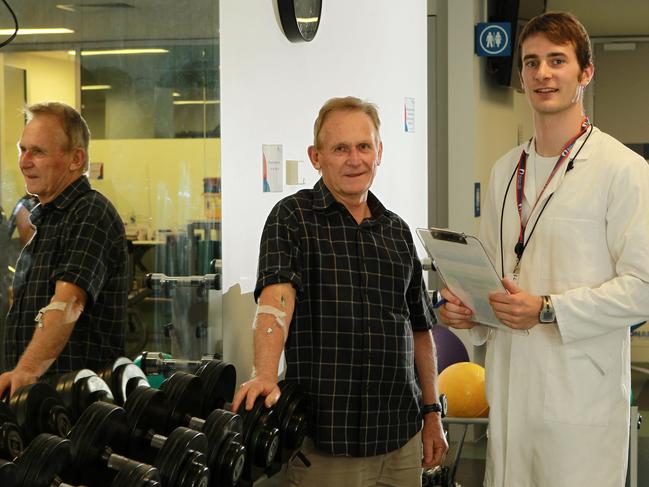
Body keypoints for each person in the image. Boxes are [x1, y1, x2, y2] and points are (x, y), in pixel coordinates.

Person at [439, 11, 649, 487]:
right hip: (512, 399)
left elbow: (643, 288)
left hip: (581, 403)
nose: (542, 73)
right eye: (531, 63)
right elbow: (493, 273)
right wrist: (470, 311)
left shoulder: (622, 170)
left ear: (585, 73)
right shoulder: (504, 170)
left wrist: (549, 310)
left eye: (557, 61)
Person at [231, 96, 448, 486]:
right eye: (340, 149)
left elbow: (419, 330)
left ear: (379, 152)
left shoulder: (397, 231)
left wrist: (432, 413)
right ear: (316, 157)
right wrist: (264, 373)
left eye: (364, 146)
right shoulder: (293, 218)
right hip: (328, 443)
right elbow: (276, 298)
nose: (354, 159)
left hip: (401, 436)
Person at [0, 101, 129, 397]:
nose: (24, 161)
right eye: (23, 149)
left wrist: (26, 370)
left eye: (38, 151)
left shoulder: (90, 213)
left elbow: (68, 303)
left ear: (75, 159)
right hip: (39, 397)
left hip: (77, 405)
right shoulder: (49, 217)